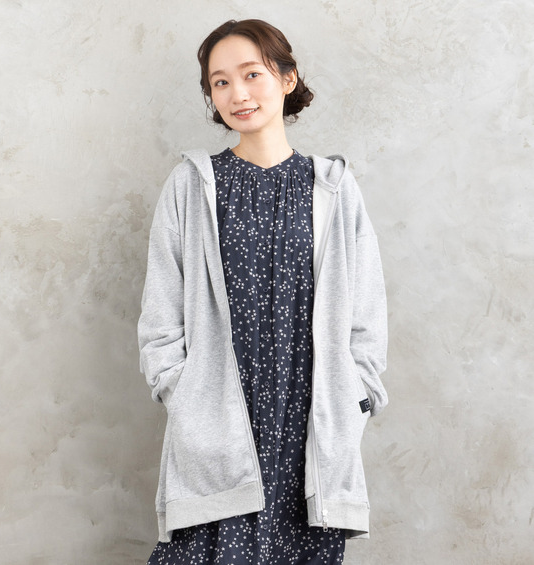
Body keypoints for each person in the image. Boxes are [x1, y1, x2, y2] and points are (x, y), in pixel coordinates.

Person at [138, 18, 388, 565]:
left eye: (252, 74)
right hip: (217, 428)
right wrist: (184, 397)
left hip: (311, 428)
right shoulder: (190, 186)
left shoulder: (333, 188)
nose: (238, 93)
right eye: (220, 82)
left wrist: (357, 396)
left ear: (287, 77)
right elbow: (160, 319)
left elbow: (366, 315)